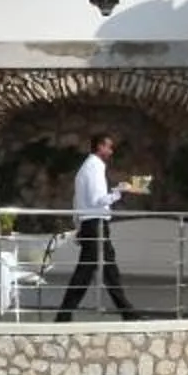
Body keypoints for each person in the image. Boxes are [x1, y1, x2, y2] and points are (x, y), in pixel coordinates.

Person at [55, 133, 141, 320]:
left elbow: (77, 200)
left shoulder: (86, 167)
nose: (111, 151)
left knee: (104, 271)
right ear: (100, 147)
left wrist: (79, 225)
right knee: (90, 272)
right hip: (96, 224)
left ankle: (127, 313)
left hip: (92, 224)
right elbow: (97, 200)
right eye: (109, 147)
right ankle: (64, 315)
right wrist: (120, 192)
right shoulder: (94, 167)